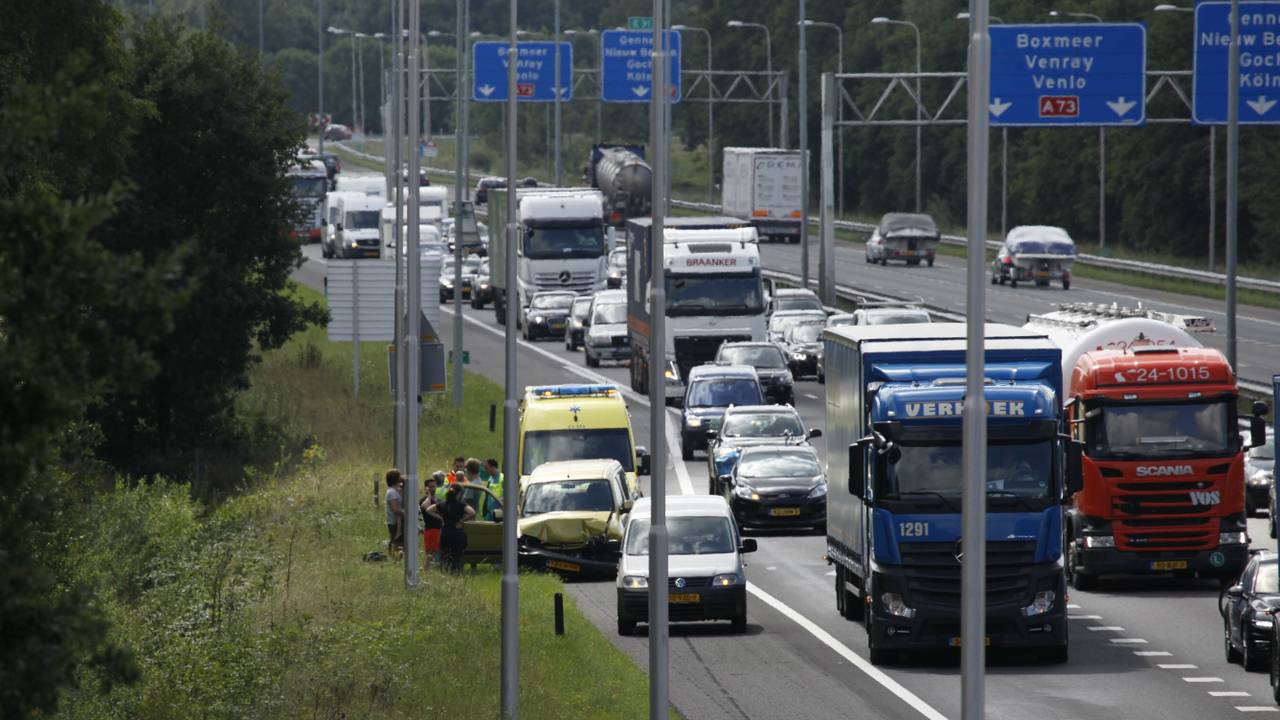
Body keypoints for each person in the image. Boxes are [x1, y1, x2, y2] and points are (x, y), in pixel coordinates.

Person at [427, 483, 475, 573]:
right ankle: (456, 571)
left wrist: (440, 517)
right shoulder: (461, 504)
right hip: (457, 534)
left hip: (445, 533)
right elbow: (472, 512)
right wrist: (462, 521)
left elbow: (428, 510)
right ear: (459, 494)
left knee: (445, 555)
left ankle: (445, 572)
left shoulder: (443, 504)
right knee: (457, 555)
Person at [421, 472, 445, 565]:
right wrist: (429, 495)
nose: (433, 489)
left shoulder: (438, 500)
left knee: (436, 552)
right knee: (430, 553)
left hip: (438, 529)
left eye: (434, 487)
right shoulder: (424, 499)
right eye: (430, 487)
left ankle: (431, 569)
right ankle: (427, 570)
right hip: (430, 529)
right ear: (426, 488)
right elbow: (425, 507)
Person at [384, 469, 405, 554]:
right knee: (396, 541)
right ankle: (394, 557)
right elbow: (394, 509)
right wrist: (405, 514)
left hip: (398, 520)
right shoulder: (391, 492)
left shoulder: (396, 490)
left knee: (399, 541)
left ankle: (396, 556)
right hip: (394, 521)